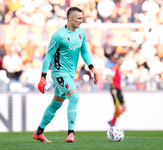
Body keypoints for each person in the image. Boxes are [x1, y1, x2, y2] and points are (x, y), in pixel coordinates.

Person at [33, 7, 98, 143]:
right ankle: (71, 133)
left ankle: (39, 132)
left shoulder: (81, 33)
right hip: (59, 73)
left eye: (82, 18)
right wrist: (43, 77)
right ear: (70, 18)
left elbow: (84, 51)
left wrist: (92, 67)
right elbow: (48, 56)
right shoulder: (59, 35)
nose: (81, 21)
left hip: (69, 74)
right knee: (74, 96)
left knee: (56, 104)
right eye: (78, 18)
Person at [107, 53, 126, 127]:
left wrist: (121, 91)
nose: (122, 62)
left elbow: (118, 81)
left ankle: (112, 122)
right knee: (119, 107)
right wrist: (113, 88)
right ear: (117, 60)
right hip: (115, 89)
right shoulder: (115, 68)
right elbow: (110, 77)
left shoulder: (118, 68)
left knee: (120, 108)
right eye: (121, 60)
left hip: (118, 89)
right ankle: (112, 122)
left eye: (123, 61)